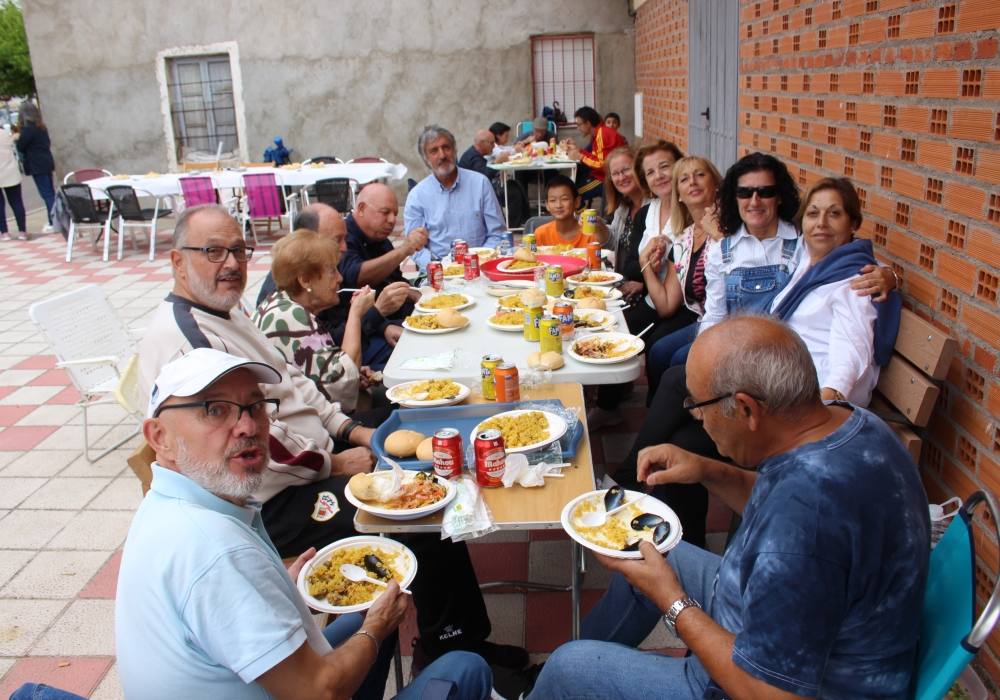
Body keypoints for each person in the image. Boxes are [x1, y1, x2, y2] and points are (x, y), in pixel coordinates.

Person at [137, 204, 526, 673]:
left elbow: (295, 385)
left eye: (239, 250)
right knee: (417, 505)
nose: (233, 264)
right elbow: (252, 438)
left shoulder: (223, 309)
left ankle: (457, 629)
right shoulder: (190, 338)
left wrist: (351, 429)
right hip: (270, 500)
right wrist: (333, 463)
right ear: (178, 262)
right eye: (214, 252)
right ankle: (451, 644)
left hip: (307, 456)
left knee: (414, 422)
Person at [528, 316, 930, 700]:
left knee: (567, 668)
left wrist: (671, 598)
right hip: (780, 615)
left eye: (697, 405)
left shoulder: (804, 526)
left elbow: (768, 690)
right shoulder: (852, 424)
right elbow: (783, 504)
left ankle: (564, 682)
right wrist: (707, 470)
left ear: (747, 409)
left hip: (766, 683)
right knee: (646, 551)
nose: (697, 417)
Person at [117, 347, 493, 699]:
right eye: (215, 410)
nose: (247, 426)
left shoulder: (169, 504)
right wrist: (375, 628)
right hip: (311, 690)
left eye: (255, 406)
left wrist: (283, 590)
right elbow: (318, 692)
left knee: (369, 616)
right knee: (466, 665)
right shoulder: (215, 551)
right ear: (159, 437)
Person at [770, 177, 901, 405]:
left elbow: (851, 352)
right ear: (802, 225)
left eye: (834, 214)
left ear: (853, 224)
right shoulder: (810, 260)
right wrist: (893, 276)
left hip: (810, 396)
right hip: (781, 378)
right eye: (812, 214)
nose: (821, 223)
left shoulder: (854, 283)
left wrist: (827, 400)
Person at [253, 228, 376, 413]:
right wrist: (356, 313)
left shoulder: (284, 305)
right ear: (305, 280)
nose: (340, 278)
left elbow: (323, 373)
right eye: (332, 271)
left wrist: (355, 373)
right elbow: (342, 383)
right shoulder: (288, 316)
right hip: (313, 430)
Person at [642, 156, 724, 395]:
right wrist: (645, 265)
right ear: (678, 193)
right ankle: (660, 414)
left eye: (700, 175)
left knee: (679, 358)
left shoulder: (732, 226)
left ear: (715, 184)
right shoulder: (684, 239)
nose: (693, 183)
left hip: (729, 322)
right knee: (657, 351)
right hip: (704, 320)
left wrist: (719, 236)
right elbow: (666, 305)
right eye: (684, 179)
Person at [338, 183, 425, 359]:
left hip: (384, 320)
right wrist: (404, 250)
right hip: (357, 331)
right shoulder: (344, 239)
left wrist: (413, 293)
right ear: (361, 209)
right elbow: (357, 277)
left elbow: (393, 279)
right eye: (385, 212)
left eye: (395, 214)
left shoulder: (379, 238)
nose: (392, 220)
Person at [404, 125, 506, 267]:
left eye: (446, 147)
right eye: (434, 151)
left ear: (455, 150)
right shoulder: (417, 196)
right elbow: (415, 247)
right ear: (426, 159)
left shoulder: (480, 183)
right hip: (439, 272)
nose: (442, 155)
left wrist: (480, 261)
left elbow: (497, 233)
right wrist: (439, 266)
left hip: (481, 266)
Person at [599, 146, 646, 301]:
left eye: (626, 170)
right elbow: (613, 244)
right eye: (615, 174)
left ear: (639, 170)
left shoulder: (655, 207)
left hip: (647, 293)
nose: (621, 177)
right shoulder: (624, 207)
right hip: (623, 285)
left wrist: (644, 286)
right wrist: (599, 226)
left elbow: (669, 259)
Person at [563, 106, 627, 202]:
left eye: (579, 125)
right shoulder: (599, 132)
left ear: (588, 123)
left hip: (606, 179)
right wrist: (577, 150)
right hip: (603, 174)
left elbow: (602, 164)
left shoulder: (602, 134)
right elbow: (593, 156)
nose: (578, 128)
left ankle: (584, 215)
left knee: (572, 194)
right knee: (574, 179)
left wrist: (580, 156)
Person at [532, 175, 608, 249]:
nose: (558, 205)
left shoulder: (590, 233)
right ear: (547, 205)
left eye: (564, 199)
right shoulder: (540, 234)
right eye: (552, 200)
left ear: (577, 202)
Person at [15, 102, 55, 233]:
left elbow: (21, 146)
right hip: (47, 161)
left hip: (36, 165)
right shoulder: (41, 128)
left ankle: (53, 221)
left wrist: (17, 138)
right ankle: (55, 218)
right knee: (50, 192)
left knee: (46, 194)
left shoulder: (27, 130)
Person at [0, 124, 28, 241]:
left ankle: (4, 233)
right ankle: (22, 232)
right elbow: (17, 137)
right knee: (17, 202)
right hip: (11, 171)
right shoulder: (6, 133)